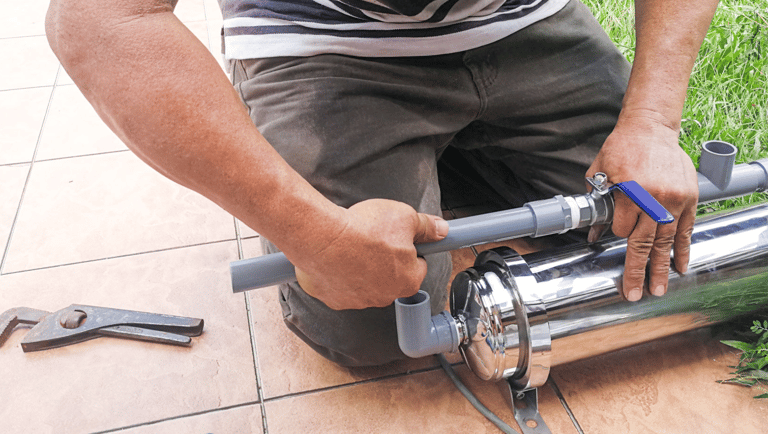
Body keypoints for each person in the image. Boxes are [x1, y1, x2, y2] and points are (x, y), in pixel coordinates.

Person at [45, 0, 714, 366]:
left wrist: (652, 122)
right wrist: (311, 233)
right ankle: (393, 155)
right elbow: (96, 18)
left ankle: (436, 156)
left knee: (640, 229)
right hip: (321, 43)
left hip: (523, 21)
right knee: (376, 323)